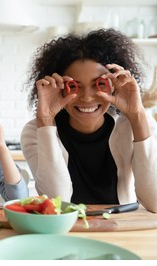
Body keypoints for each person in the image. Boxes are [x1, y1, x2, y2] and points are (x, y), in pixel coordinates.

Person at [21, 28, 157, 212]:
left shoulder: (138, 125)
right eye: (74, 86)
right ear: (59, 88)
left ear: (114, 86)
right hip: (66, 230)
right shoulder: (35, 132)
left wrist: (137, 116)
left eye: (99, 84)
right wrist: (45, 121)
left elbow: (154, 202)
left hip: (122, 227)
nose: (86, 97)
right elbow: (55, 202)